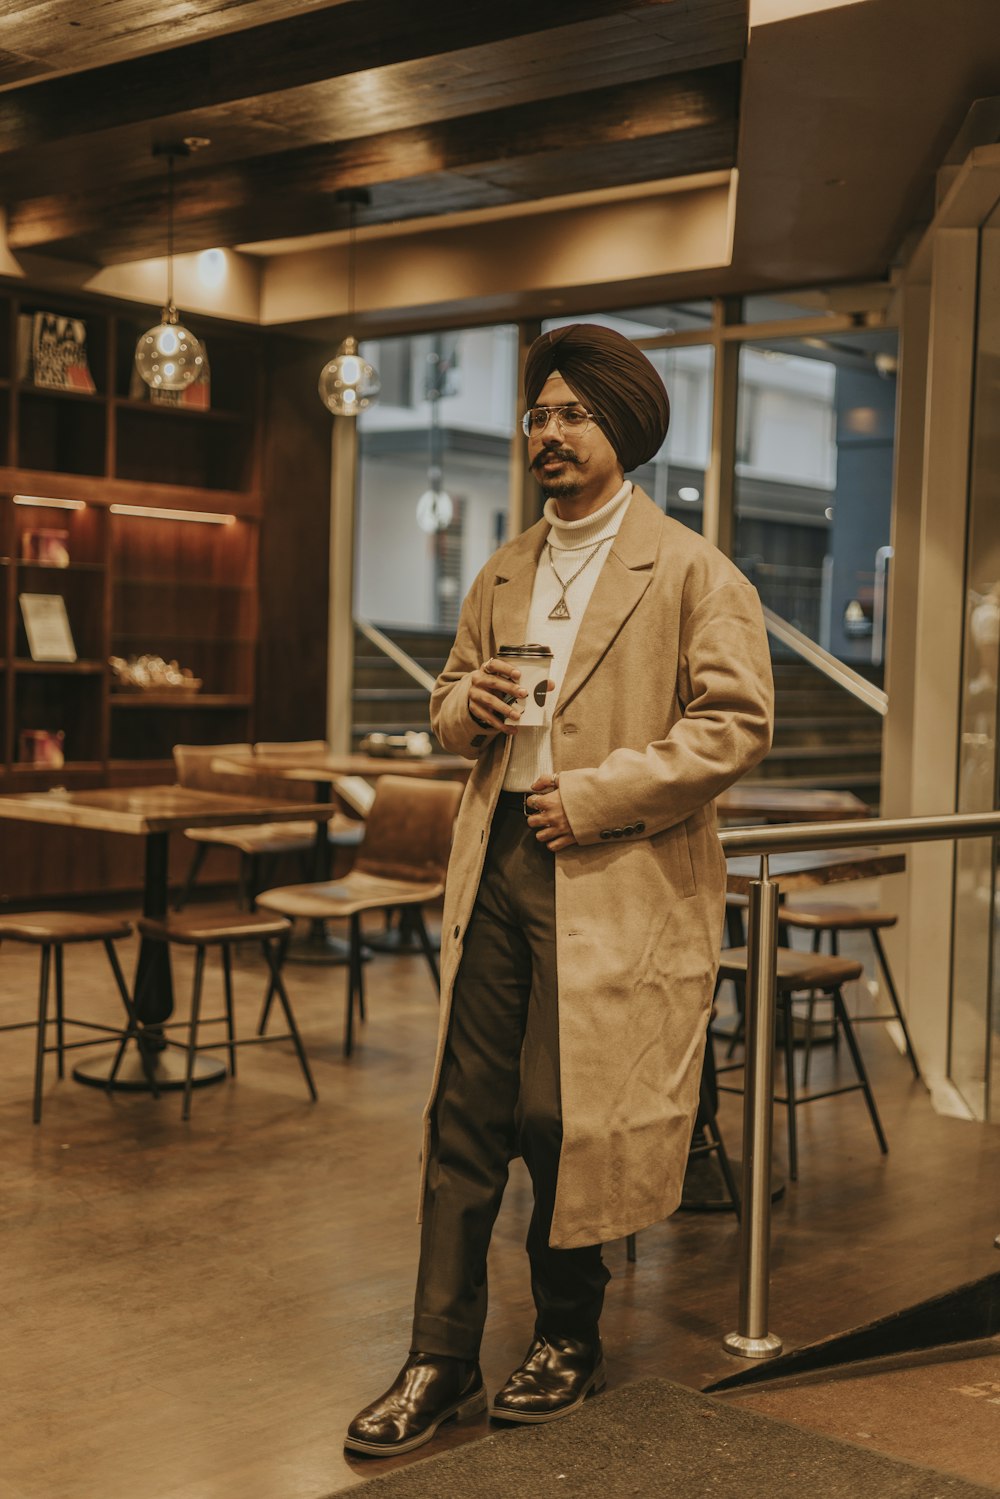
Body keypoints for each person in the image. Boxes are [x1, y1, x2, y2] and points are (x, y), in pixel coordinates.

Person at [345, 323, 774, 1458]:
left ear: (621, 427)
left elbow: (734, 725)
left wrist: (599, 793)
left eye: (571, 412)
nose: (547, 431)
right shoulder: (503, 567)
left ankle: (566, 1333)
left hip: (612, 870)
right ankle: (438, 1354)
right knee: (464, 1113)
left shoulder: (690, 569)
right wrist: (466, 704)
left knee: (562, 1108)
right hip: (493, 860)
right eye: (537, 414)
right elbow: (443, 699)